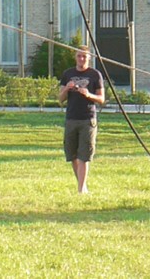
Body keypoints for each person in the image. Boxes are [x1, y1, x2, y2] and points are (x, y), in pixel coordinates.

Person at [59, 48, 105, 194]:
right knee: (72, 155)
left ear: (89, 58)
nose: (81, 59)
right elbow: (60, 99)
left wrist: (88, 94)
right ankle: (81, 185)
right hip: (71, 118)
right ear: (75, 57)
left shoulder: (95, 74)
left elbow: (101, 99)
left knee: (84, 156)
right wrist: (67, 89)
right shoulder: (68, 74)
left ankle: (81, 189)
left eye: (84, 56)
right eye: (79, 56)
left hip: (88, 119)